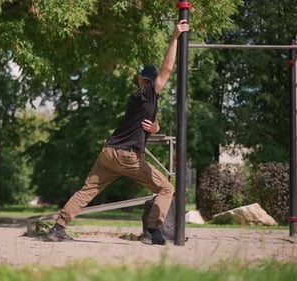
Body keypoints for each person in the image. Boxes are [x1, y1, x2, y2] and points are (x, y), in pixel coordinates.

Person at [48, 20, 190, 245]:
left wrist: (155, 127)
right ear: (152, 83)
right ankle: (152, 231)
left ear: (139, 79)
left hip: (108, 152)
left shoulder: (138, 98)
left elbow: (148, 123)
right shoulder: (149, 94)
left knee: (87, 190)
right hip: (126, 156)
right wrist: (174, 38)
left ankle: (58, 227)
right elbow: (168, 68)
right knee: (166, 188)